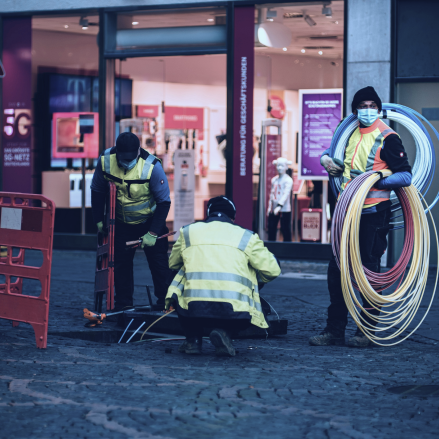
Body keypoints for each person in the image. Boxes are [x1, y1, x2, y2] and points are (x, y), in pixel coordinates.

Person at [309, 86, 412, 348]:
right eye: (362, 105)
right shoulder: (349, 134)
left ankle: (365, 330)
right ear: (355, 110)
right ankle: (335, 330)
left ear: (378, 109)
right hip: (346, 212)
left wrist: (377, 178)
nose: (367, 110)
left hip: (373, 214)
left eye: (371, 105)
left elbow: (406, 176)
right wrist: (325, 160)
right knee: (337, 272)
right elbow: (343, 164)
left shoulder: (388, 138)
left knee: (368, 272)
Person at [165, 196, 281, 356]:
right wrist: (251, 278)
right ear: (232, 217)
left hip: (193, 310)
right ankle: (225, 332)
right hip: (234, 311)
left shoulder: (188, 232)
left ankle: (193, 340)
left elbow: (173, 264)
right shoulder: (247, 236)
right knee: (253, 268)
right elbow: (273, 270)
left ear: (208, 214)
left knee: (179, 273)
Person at [91, 132, 173, 313]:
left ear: (138, 151)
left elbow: (164, 202)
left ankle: (165, 302)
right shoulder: (106, 160)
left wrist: (153, 233)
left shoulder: (152, 166)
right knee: (121, 265)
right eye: (123, 158)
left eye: (131, 158)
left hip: (149, 221)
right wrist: (98, 220)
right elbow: (97, 190)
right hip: (121, 223)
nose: (126, 162)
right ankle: (124, 305)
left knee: (158, 263)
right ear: (116, 152)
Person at [267, 157, 294, 241]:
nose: (279, 168)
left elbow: (286, 194)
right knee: (271, 228)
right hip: (274, 208)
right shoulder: (274, 180)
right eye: (278, 165)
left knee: (285, 228)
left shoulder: (288, 180)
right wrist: (270, 206)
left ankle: (287, 248)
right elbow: (272, 194)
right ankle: (271, 246)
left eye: (282, 166)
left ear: (286, 167)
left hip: (284, 209)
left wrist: (279, 206)